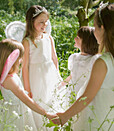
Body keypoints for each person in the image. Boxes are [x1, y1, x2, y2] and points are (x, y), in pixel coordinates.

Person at [53, 3, 114, 131]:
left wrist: (64, 116)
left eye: (95, 27)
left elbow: (87, 97)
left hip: (99, 118)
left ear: (102, 28)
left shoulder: (103, 62)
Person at [0, 39, 57, 131]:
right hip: (16, 115)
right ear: (12, 58)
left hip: (18, 111)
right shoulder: (9, 80)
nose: (21, 61)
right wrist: (46, 114)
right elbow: (27, 101)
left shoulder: (10, 76)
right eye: (20, 58)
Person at [22, 5, 64, 130]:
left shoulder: (48, 38)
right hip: (35, 77)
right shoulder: (27, 41)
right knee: (38, 100)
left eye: (46, 22)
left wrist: (57, 76)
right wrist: (27, 87)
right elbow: (25, 66)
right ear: (31, 22)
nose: (44, 25)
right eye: (41, 22)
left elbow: (54, 59)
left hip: (49, 75)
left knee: (51, 99)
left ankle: (52, 125)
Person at [59, 26, 100, 96]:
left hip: (84, 93)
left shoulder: (93, 59)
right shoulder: (74, 57)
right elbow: (72, 75)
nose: (74, 39)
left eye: (78, 38)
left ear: (85, 42)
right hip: (72, 92)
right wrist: (61, 85)